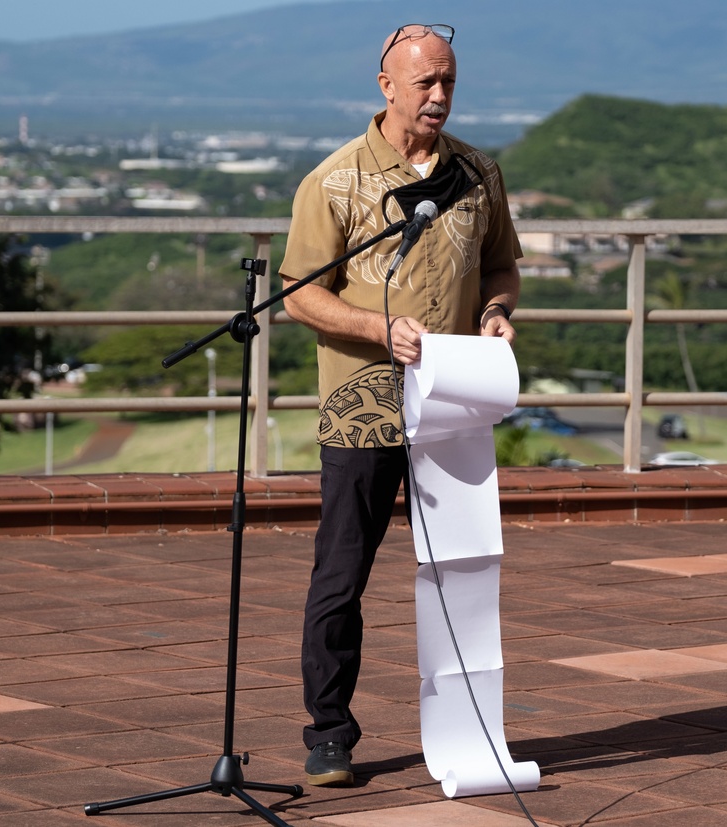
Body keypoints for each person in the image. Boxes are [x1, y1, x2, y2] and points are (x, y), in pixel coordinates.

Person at [279, 23, 521, 787]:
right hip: (361, 407)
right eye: (425, 83)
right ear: (386, 86)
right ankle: (329, 732)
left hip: (450, 403)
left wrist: (495, 313)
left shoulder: (480, 174)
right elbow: (302, 296)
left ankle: (470, 722)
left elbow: (501, 265)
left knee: (461, 568)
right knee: (342, 570)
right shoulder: (335, 181)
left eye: (449, 81)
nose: (440, 96)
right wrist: (375, 328)